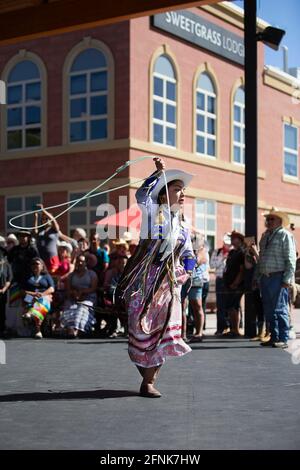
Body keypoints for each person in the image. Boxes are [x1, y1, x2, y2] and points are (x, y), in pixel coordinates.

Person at [115, 157, 196, 398]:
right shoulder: (153, 213)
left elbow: (189, 254)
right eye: (176, 188)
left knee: (163, 331)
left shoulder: (183, 225)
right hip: (144, 281)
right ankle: (147, 376)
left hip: (168, 285)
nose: (182, 194)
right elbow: (142, 195)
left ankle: (149, 382)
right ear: (163, 194)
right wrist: (157, 173)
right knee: (140, 329)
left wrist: (188, 271)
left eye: (183, 190)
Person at [255, 208, 296, 349]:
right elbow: (261, 258)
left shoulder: (285, 235)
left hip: (278, 276)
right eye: (268, 219)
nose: (269, 221)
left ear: (280, 221)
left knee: (280, 308)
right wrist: (257, 276)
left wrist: (287, 279)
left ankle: (284, 338)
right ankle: (274, 336)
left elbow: (291, 258)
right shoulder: (265, 236)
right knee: (268, 309)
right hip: (265, 277)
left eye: (272, 219)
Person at [60, 254, 98, 338]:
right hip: (74, 297)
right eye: (78, 261)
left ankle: (79, 329)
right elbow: (68, 290)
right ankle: (70, 329)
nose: (80, 263)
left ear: (85, 263)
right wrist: (74, 293)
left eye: (82, 261)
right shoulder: (71, 275)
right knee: (69, 307)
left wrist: (82, 291)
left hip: (88, 296)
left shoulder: (92, 274)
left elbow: (93, 288)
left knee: (82, 307)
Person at [22, 257, 55, 339]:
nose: (34, 266)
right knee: (31, 301)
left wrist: (41, 294)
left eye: (37, 264)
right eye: (33, 264)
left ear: (42, 266)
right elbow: (23, 291)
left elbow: (52, 288)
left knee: (40, 303)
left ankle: (36, 326)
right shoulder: (28, 277)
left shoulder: (46, 276)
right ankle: (37, 330)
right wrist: (34, 294)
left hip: (44, 297)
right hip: (30, 297)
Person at [223, 230, 245, 338]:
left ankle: (236, 329)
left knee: (234, 306)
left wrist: (236, 282)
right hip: (228, 283)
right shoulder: (232, 252)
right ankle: (232, 329)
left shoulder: (242, 252)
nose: (232, 240)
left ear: (239, 240)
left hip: (237, 284)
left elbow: (242, 270)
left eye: (234, 238)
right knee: (230, 307)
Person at [210, 233, 232, 335]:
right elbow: (212, 265)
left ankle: (230, 327)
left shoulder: (233, 252)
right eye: (226, 244)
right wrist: (222, 258)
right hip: (219, 279)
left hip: (230, 280)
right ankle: (220, 327)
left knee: (230, 304)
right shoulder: (217, 251)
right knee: (220, 305)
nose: (228, 246)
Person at [35, 204, 60, 274]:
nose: (44, 220)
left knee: (53, 276)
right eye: (43, 219)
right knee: (42, 276)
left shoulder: (54, 229)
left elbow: (54, 220)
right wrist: (36, 217)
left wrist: (43, 210)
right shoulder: (41, 230)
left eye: (46, 218)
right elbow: (35, 232)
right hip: (41, 259)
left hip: (52, 259)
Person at [0, 247, 13, 337]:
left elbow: (9, 279)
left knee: (2, 310)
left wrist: (3, 289)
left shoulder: (7, 265)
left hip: (2, 291)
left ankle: (2, 328)